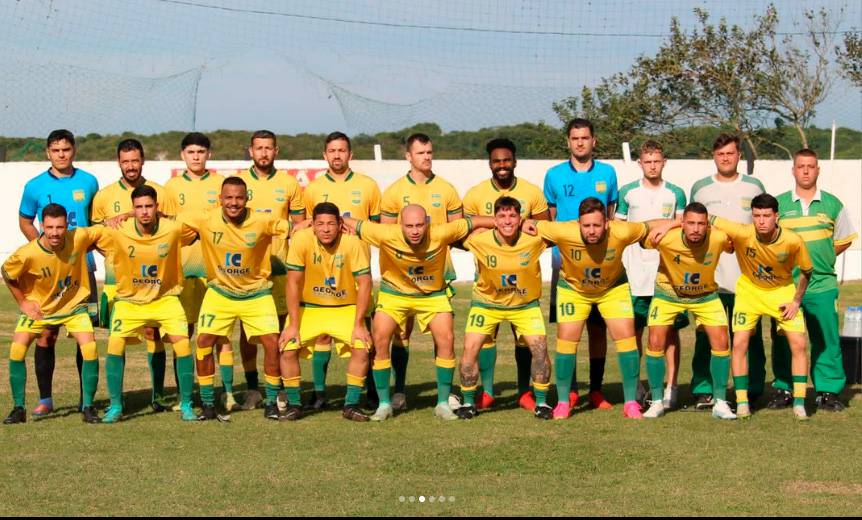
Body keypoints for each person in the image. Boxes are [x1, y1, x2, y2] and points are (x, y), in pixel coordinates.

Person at [526, 198, 674, 420]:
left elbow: (650, 224)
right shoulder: (562, 230)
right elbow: (530, 224)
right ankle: (564, 403)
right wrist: (520, 222)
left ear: (607, 222)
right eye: (586, 226)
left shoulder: (622, 231)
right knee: (566, 341)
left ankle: (631, 403)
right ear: (578, 223)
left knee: (627, 340)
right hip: (573, 290)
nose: (592, 231)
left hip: (612, 288)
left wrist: (676, 222)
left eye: (597, 225)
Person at [343, 205, 493, 421]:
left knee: (447, 339)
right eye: (409, 226)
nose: (415, 231)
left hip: (432, 296)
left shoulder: (441, 232)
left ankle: (442, 403)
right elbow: (352, 222)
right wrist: (323, 221)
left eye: (420, 225)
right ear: (400, 225)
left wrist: (499, 222)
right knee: (380, 339)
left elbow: (473, 222)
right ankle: (384, 404)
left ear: (428, 224)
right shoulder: (384, 233)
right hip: (394, 295)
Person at [179, 177, 294, 421]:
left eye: (239, 197)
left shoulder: (262, 220)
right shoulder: (204, 218)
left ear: (247, 198)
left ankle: (271, 401)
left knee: (272, 344)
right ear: (220, 199)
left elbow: (294, 227)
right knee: (203, 342)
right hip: (219, 292)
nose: (234, 203)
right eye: (228, 198)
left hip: (257, 293)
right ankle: (208, 404)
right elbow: (164, 220)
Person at [462, 138, 549, 411]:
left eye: (506, 160)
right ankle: (486, 391)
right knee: (485, 338)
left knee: (524, 339)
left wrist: (527, 225)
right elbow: (465, 229)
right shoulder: (475, 194)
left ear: (514, 161)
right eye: (497, 161)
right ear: (490, 163)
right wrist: (493, 224)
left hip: (523, 282)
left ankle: (526, 392)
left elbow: (545, 228)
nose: (502, 165)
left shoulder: (531, 191)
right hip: (488, 281)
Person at [98, 186, 198, 423]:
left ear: (157, 208)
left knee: (183, 346)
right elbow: (88, 236)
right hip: (129, 301)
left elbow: (200, 227)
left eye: (149, 206)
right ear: (133, 209)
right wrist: (117, 218)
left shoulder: (173, 229)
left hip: (166, 299)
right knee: (114, 342)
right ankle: (115, 406)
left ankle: (186, 404)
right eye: (139, 207)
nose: (144, 212)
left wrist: (169, 217)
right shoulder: (118, 230)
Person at [708, 194, 813, 419]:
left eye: (766, 216)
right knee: (739, 343)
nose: (761, 221)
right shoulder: (742, 232)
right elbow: (702, 217)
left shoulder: (793, 240)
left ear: (777, 216)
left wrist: (796, 300)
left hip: (782, 291)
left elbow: (807, 271)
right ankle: (742, 402)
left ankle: (799, 402)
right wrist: (672, 223)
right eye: (757, 216)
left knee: (799, 343)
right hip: (749, 292)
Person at [17, 129, 99, 417]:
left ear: (74, 150)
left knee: (83, 334)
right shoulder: (34, 185)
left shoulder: (89, 182)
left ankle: (84, 398)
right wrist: (42, 251)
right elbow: (25, 220)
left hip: (82, 270)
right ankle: (46, 398)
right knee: (46, 335)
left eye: (66, 149)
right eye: (56, 150)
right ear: (47, 153)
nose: (61, 154)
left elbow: (95, 222)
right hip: (49, 275)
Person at [379, 133, 463, 412]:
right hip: (401, 278)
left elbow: (458, 230)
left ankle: (447, 392)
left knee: (444, 334)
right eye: (420, 153)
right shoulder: (393, 192)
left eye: (429, 152)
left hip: (436, 276)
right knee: (400, 334)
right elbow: (387, 235)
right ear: (408, 156)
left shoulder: (447, 189)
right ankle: (399, 390)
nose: (426, 157)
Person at [92, 138, 175, 412]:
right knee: (118, 339)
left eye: (135, 160)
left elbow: (171, 231)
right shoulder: (103, 196)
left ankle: (158, 395)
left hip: (153, 282)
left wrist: (128, 214)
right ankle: (119, 400)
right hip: (118, 281)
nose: (130, 166)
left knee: (154, 333)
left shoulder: (161, 193)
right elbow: (96, 237)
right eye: (125, 161)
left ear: (143, 160)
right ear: (119, 162)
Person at [3, 204, 106, 424]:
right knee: (17, 350)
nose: (55, 232)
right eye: (49, 227)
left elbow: (103, 231)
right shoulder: (28, 253)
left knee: (90, 347)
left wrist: (117, 224)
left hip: (74, 308)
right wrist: (23, 302)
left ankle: (88, 407)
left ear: (67, 225)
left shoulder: (78, 237)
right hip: (41, 310)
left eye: (59, 227)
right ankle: (18, 408)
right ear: (42, 225)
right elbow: (6, 272)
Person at [301, 131, 382, 410]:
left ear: (351, 154)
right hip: (321, 269)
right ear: (325, 155)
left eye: (342, 150)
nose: (337, 155)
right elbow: (306, 229)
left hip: (356, 268)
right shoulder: (312, 189)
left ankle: (370, 389)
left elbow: (376, 228)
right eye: (332, 151)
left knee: (364, 330)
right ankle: (320, 393)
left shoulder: (368, 186)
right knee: (322, 334)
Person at [543, 118, 619, 409]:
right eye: (575, 138)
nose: (580, 143)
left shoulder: (608, 173)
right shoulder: (554, 175)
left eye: (585, 138)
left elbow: (610, 215)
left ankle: (597, 390)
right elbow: (552, 218)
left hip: (601, 266)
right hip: (565, 264)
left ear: (593, 141)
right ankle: (571, 390)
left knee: (598, 330)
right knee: (568, 328)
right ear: (568, 141)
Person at [773, 149, 857, 411]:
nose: (806, 171)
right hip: (787, 286)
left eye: (811, 166)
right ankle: (784, 388)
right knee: (785, 339)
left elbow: (843, 240)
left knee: (826, 338)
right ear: (793, 170)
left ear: (818, 170)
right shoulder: (779, 205)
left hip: (821, 284)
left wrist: (819, 258)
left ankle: (827, 391)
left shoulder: (833, 204)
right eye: (801, 166)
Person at [689, 133, 765, 409]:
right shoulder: (700, 189)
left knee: (750, 337)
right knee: (706, 335)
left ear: (739, 156)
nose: (726, 158)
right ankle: (703, 388)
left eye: (731, 154)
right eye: (721, 154)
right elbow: (691, 229)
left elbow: (761, 228)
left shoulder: (753, 186)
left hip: (748, 279)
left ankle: (753, 387)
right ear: (714, 156)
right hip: (711, 278)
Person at [641, 203, 737, 420]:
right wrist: (670, 224)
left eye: (701, 224)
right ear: (683, 223)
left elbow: (736, 239)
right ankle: (656, 401)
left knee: (722, 342)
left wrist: (675, 221)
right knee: (655, 341)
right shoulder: (666, 237)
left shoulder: (719, 238)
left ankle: (720, 402)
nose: (695, 229)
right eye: (690, 223)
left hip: (706, 296)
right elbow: (642, 234)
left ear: (708, 225)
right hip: (668, 294)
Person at [280, 202, 374, 422]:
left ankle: (350, 405)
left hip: (345, 308)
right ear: (312, 226)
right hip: (309, 308)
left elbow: (366, 283)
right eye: (320, 224)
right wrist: (293, 324)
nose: (325, 229)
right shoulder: (301, 239)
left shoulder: (353, 242)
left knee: (362, 347)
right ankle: (294, 405)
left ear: (340, 224)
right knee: (287, 347)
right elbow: (293, 283)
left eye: (331, 223)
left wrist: (359, 324)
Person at [164, 133, 237, 409]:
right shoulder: (170, 188)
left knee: (221, 334)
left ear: (209, 154)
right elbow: (168, 229)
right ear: (183, 154)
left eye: (201, 151)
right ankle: (185, 394)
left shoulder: (220, 185)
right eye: (191, 152)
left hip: (215, 270)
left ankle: (228, 392)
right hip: (181, 270)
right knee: (183, 333)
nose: (196, 156)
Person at [235, 130, 305, 411]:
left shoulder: (289, 183)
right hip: (247, 271)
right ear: (250, 151)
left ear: (276, 151)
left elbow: (300, 228)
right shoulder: (238, 181)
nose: (263, 152)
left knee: (280, 331)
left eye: (268, 148)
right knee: (248, 333)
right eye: (258, 148)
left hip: (280, 270)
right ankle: (253, 389)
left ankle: (281, 389)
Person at [616, 140, 688, 409]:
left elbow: (684, 224)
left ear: (664, 162)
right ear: (640, 163)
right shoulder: (628, 193)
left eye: (657, 161)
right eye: (648, 161)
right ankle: (636, 385)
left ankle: (672, 386)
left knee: (669, 332)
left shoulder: (676, 193)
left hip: (668, 275)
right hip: (635, 274)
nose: (653, 166)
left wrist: (667, 224)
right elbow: (618, 230)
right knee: (633, 331)